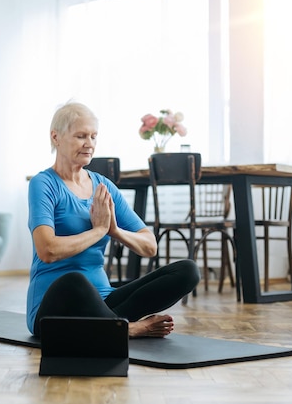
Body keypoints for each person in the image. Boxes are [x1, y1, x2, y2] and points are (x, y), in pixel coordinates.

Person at [26, 101, 200, 338]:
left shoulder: (103, 186)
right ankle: (128, 328)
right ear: (56, 137)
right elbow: (47, 250)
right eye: (80, 136)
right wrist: (98, 231)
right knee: (73, 280)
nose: (89, 144)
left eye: (93, 137)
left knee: (188, 270)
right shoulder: (44, 184)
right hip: (52, 310)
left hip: (104, 302)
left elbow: (150, 246)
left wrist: (115, 230)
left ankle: (109, 325)